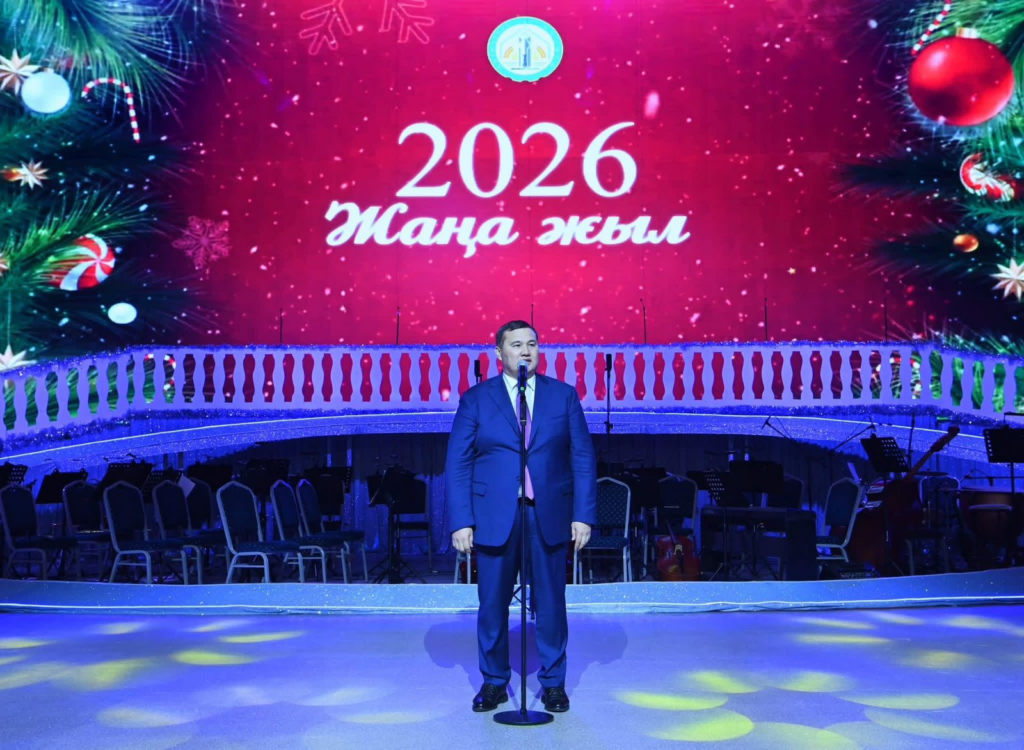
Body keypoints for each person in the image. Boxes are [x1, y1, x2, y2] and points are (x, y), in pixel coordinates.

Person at [446, 320, 597, 714]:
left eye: (532, 343)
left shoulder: (563, 396)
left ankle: (554, 683)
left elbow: (582, 457)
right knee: (492, 605)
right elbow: (458, 463)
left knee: (551, 604)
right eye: (516, 344)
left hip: (548, 514)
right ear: (499, 353)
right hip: (494, 516)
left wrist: (583, 515)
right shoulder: (476, 399)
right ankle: (494, 682)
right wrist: (461, 520)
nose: (526, 350)